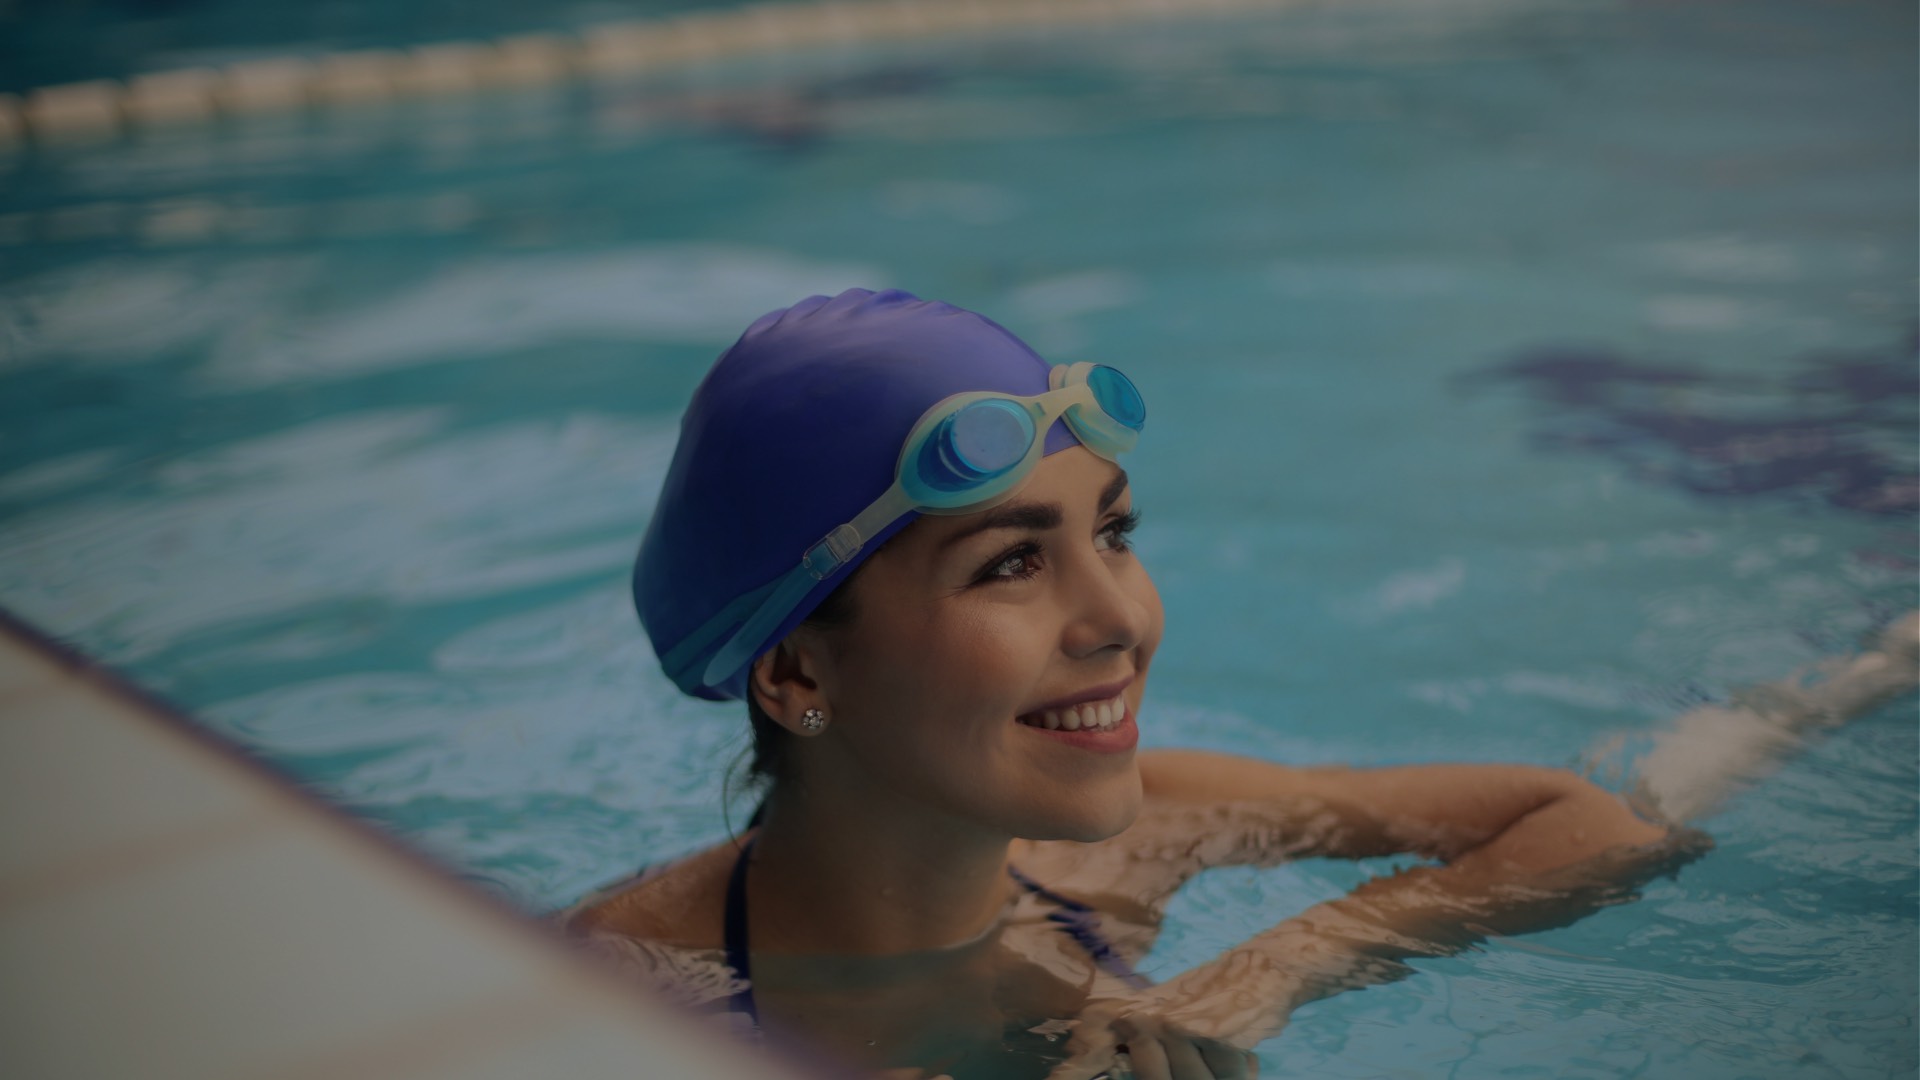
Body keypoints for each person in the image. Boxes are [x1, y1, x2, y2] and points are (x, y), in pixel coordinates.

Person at [562, 288, 1916, 1080]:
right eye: (1008, 567)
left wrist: (1261, 979)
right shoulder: (623, 991)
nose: (1123, 619)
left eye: (1115, 534)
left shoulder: (1143, 842)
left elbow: (1600, 826)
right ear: (797, 670)